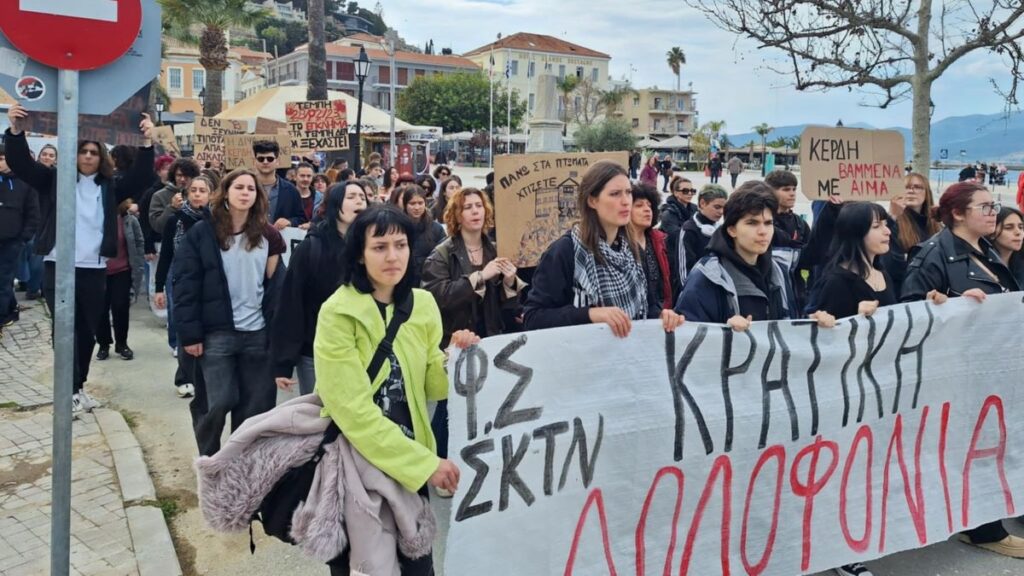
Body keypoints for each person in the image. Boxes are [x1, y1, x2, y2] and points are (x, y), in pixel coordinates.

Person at [314, 204, 478, 574]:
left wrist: (454, 356)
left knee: (419, 567)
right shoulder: (338, 312)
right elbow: (351, 409)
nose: (393, 256)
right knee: (364, 567)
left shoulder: (421, 304)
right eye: (379, 247)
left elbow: (431, 386)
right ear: (359, 254)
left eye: (401, 245)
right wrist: (424, 465)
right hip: (357, 468)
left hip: (410, 468)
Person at [900, 181, 1024, 559]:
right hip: (961, 371)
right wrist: (953, 301)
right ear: (957, 213)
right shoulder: (932, 254)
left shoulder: (984, 249)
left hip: (992, 366)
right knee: (974, 448)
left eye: (993, 206)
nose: (992, 213)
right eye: (984, 207)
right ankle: (982, 528)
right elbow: (910, 311)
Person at [5, 103, 155, 414]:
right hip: (58, 267)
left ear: (101, 158)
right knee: (64, 329)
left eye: (93, 152)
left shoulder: (109, 187)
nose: (87, 156)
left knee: (87, 329)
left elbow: (141, 178)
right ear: (74, 154)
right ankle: (67, 388)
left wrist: (147, 142)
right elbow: (21, 165)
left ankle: (78, 386)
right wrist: (16, 132)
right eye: (83, 151)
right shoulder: (53, 180)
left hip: (93, 269)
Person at [172, 169, 286, 456]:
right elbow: (186, 285)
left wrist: (280, 337)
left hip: (257, 334)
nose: (245, 192)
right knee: (217, 401)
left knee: (255, 407)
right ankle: (209, 460)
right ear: (225, 192)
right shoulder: (202, 233)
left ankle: (241, 465)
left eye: (251, 188)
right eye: (239, 187)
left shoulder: (268, 236)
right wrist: (190, 334)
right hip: (216, 334)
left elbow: (276, 288)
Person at [421, 187, 525, 473]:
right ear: (457, 214)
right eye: (467, 207)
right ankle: (438, 463)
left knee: (485, 401)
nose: (475, 211)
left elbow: (510, 305)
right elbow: (436, 297)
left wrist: (509, 282)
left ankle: (474, 461)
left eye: (479, 205)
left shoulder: (496, 248)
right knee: (450, 406)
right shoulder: (442, 254)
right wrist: (479, 276)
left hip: (489, 336)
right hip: (455, 338)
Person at [523, 160, 683, 336]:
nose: (625, 201)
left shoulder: (631, 249)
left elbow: (648, 305)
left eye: (628, 192)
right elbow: (534, 318)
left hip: (629, 356)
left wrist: (663, 315)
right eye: (615, 194)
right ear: (592, 200)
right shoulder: (565, 251)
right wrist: (591, 314)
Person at [675, 182, 834, 330]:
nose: (763, 231)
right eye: (752, 223)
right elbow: (689, 336)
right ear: (731, 230)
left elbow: (788, 323)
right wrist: (723, 331)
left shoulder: (779, 270)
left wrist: (810, 321)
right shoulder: (707, 275)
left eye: (768, 223)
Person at [272, 181, 367, 396]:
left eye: (362, 197)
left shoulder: (372, 247)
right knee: (319, 417)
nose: (359, 201)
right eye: (351, 196)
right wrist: (283, 362)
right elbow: (290, 303)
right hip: (315, 353)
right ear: (335, 204)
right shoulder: (311, 248)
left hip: (363, 350)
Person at [154, 175, 215, 398]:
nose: (198, 194)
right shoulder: (175, 220)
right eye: (194, 190)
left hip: (208, 280)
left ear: (210, 195)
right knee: (184, 327)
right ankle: (184, 377)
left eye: (203, 190)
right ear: (187, 194)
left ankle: (204, 375)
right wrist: (159, 287)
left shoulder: (216, 221)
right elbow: (166, 255)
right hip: (180, 279)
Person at [809, 202, 896, 320]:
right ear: (856, 232)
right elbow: (828, 332)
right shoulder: (836, 282)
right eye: (876, 226)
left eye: (886, 224)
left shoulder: (883, 274)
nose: (887, 231)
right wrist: (856, 316)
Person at [95, 199, 145, 361]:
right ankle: (103, 344)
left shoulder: (130, 221)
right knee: (100, 309)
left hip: (122, 270)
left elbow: (139, 242)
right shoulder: (96, 219)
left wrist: (138, 263)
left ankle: (122, 343)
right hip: (99, 271)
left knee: (121, 306)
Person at [0, 143, 40, 328]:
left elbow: (33, 213)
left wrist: (23, 238)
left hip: (11, 241)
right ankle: (11, 310)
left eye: (2, 158)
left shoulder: (24, 183)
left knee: (3, 279)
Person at [764, 169, 812, 310]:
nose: (792, 193)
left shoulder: (800, 223)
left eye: (794, 189)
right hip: (770, 291)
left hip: (797, 292)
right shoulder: (762, 221)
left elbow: (811, 257)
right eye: (786, 189)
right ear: (770, 191)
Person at [886, 172, 942, 294]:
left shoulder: (937, 225)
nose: (911, 191)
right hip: (903, 291)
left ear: (927, 193)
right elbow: (891, 265)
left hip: (932, 291)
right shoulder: (892, 223)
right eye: (906, 187)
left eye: (917, 187)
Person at [668, 183, 727, 297]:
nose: (721, 212)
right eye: (717, 207)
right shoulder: (688, 230)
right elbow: (683, 274)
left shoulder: (720, 230)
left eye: (724, 207)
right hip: (694, 295)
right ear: (702, 203)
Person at [15, 144, 52, 300]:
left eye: (51, 155)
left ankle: (34, 288)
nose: (47, 157)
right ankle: (26, 282)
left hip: (47, 222)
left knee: (38, 259)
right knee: (24, 254)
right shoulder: (31, 175)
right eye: (45, 154)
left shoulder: (56, 176)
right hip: (29, 220)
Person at [629, 183, 673, 316]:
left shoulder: (660, 240)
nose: (647, 209)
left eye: (649, 206)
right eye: (639, 205)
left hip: (660, 313)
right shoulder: (618, 244)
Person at [252, 140, 304, 230]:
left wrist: (289, 222)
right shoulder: (246, 188)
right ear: (254, 161)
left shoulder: (291, 190)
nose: (265, 162)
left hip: (281, 240)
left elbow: (301, 219)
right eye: (261, 159)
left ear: (278, 161)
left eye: (270, 159)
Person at [401, 183, 446, 283]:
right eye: (412, 203)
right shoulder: (397, 227)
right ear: (405, 204)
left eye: (420, 203)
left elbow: (442, 258)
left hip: (429, 280)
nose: (417, 207)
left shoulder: (436, 229)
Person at [149, 158, 200, 238]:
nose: (182, 179)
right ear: (173, 176)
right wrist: (172, 207)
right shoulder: (159, 196)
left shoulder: (198, 195)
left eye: (186, 175)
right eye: (179, 175)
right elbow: (158, 227)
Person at [991, 206, 1024, 287]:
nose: (1018, 232)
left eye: (1021, 227)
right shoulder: (981, 266)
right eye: (1009, 228)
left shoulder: (1020, 263)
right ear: (991, 232)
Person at [294, 162, 323, 230]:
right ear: (295, 177)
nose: (306, 179)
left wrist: (312, 225)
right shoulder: (287, 195)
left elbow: (325, 219)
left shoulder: (321, 198)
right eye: (302, 176)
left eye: (309, 176)